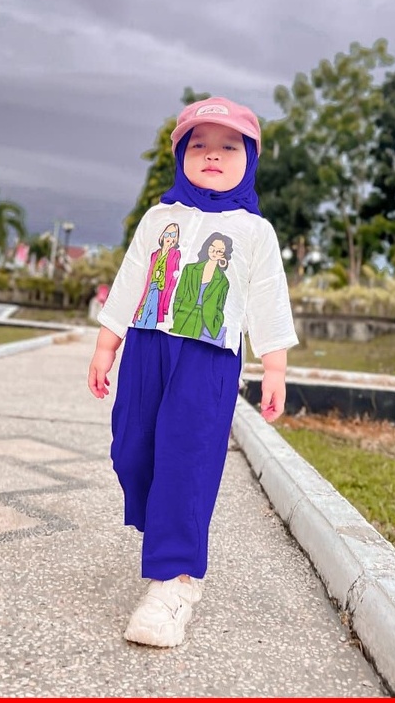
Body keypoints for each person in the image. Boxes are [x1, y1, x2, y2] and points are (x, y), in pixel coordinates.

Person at [87, 96, 298, 649]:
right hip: (146, 348)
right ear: (180, 155)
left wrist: (274, 367)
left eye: (228, 147)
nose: (212, 155)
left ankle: (175, 583)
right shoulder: (159, 219)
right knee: (131, 451)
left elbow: (268, 299)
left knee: (187, 461)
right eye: (199, 144)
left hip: (207, 361)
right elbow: (131, 280)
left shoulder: (254, 231)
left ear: (249, 160)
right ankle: (166, 527)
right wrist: (106, 346)